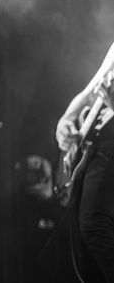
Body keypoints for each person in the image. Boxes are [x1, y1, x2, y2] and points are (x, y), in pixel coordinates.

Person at [55, 40, 114, 282]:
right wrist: (65, 121)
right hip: (95, 146)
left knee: (93, 226)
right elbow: (91, 93)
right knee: (85, 248)